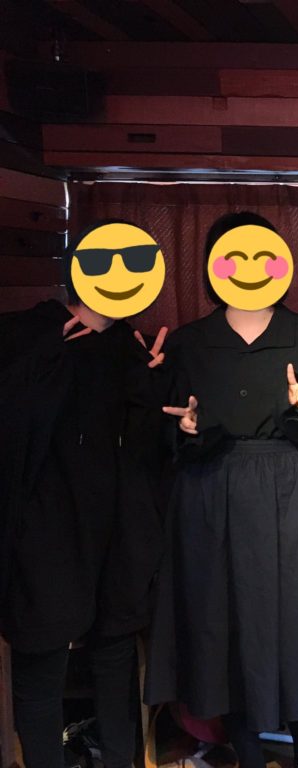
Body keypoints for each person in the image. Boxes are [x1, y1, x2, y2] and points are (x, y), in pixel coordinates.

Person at [145, 212, 298, 768]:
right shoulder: (190, 342)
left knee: (297, 613)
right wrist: (186, 430)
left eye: (263, 256)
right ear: (214, 267)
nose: (249, 268)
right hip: (209, 488)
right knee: (221, 617)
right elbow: (164, 430)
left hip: (286, 485)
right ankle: (247, 749)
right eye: (234, 257)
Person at [0, 223, 166, 768]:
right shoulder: (29, 334)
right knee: (41, 660)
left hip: (116, 532)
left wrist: (159, 396)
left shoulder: (132, 349)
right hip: (46, 532)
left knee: (115, 654)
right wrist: (45, 357)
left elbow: (143, 446)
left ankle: (119, 759)